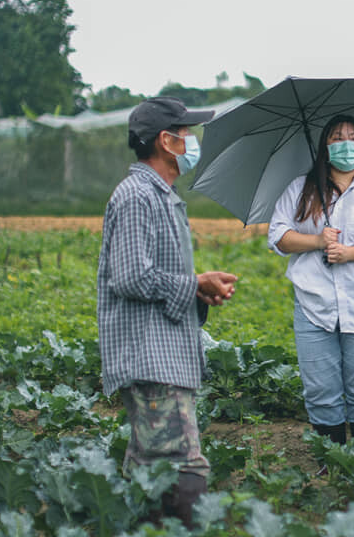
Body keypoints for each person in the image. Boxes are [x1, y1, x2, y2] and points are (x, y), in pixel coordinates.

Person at [97, 96, 238, 527]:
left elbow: (151, 275)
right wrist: (193, 284)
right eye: (186, 133)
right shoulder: (138, 196)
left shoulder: (162, 195)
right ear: (166, 141)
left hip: (164, 352)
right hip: (151, 356)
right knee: (181, 467)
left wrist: (197, 290)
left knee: (149, 468)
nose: (191, 141)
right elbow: (130, 277)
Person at [268, 114, 354, 467]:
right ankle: (329, 468)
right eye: (337, 137)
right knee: (320, 391)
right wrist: (316, 240)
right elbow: (279, 237)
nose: (346, 143)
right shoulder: (301, 188)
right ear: (325, 146)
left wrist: (350, 254)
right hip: (313, 306)